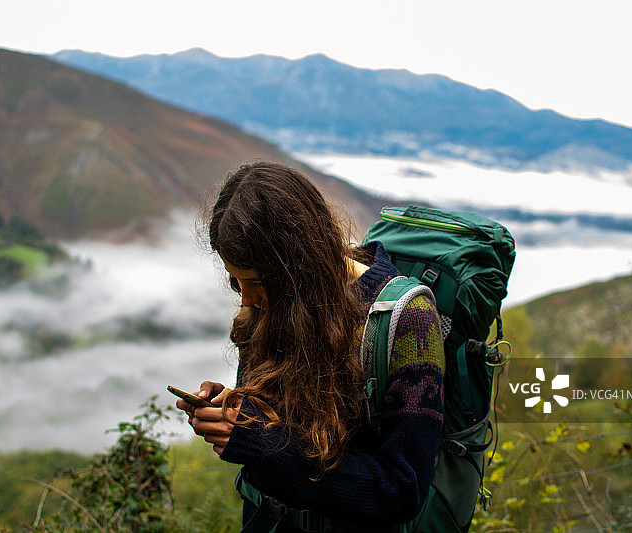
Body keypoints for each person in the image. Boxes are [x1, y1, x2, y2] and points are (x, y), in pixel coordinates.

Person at [177, 161, 446, 531]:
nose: (246, 300)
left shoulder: (408, 321)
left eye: (256, 281)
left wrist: (266, 445)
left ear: (298, 266)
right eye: (235, 281)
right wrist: (235, 409)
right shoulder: (270, 305)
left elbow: (402, 490)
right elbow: (278, 429)